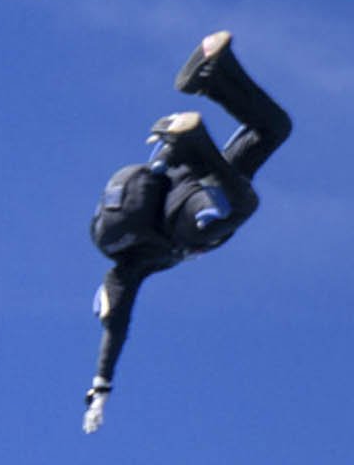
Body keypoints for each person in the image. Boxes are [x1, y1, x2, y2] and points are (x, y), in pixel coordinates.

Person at [82, 32, 293, 432]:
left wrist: (101, 385)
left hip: (196, 209)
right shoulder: (130, 260)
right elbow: (159, 167)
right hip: (200, 180)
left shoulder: (129, 268)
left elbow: (116, 328)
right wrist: (169, 151)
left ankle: (196, 131)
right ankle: (212, 75)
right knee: (274, 129)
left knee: (242, 207)